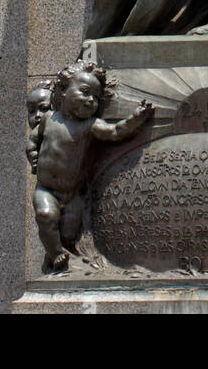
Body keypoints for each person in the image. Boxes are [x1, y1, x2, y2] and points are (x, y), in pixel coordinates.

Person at [29, 60, 153, 271]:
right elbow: (33, 142)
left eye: (95, 98)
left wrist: (136, 118)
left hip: (72, 194)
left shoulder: (89, 125)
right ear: (64, 91)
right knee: (45, 216)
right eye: (85, 92)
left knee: (68, 233)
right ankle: (55, 254)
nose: (90, 101)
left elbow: (115, 132)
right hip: (46, 189)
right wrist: (33, 155)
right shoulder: (48, 119)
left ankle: (60, 254)